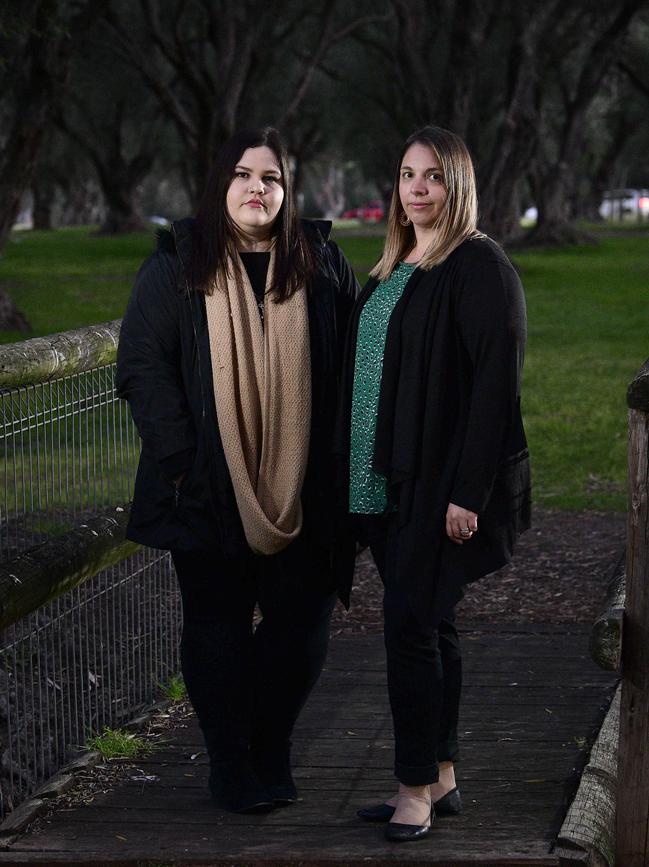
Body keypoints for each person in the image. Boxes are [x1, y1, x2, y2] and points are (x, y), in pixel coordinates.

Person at [116, 127, 358, 814]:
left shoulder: (319, 261)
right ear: (219, 185)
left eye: (273, 178)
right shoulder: (176, 266)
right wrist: (183, 463)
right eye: (244, 175)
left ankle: (271, 746)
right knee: (216, 622)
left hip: (304, 485)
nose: (259, 188)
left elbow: (347, 368)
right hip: (205, 485)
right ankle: (229, 761)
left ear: (288, 190)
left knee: (301, 621)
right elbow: (143, 365)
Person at [335, 125, 530, 842]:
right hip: (380, 480)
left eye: (433, 176)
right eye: (408, 174)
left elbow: (494, 387)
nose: (417, 188)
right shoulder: (394, 263)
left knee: (409, 628)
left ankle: (411, 786)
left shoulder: (478, 265)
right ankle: (443, 772)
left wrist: (468, 492)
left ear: (458, 185)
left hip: (436, 482)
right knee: (433, 622)